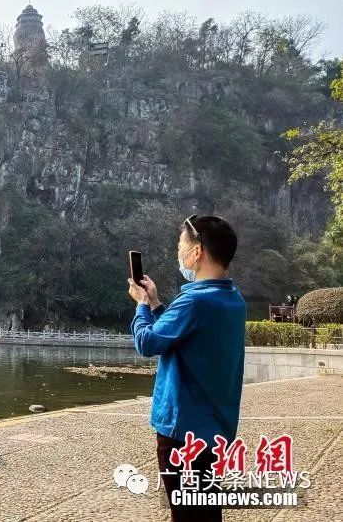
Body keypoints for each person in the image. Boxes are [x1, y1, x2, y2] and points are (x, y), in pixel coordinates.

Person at [127, 214, 246, 522]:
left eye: (181, 246)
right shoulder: (232, 299)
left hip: (182, 432)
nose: (178, 254)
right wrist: (155, 304)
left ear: (198, 252)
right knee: (206, 511)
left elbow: (148, 343)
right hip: (216, 429)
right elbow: (184, 335)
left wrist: (140, 304)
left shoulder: (193, 301)